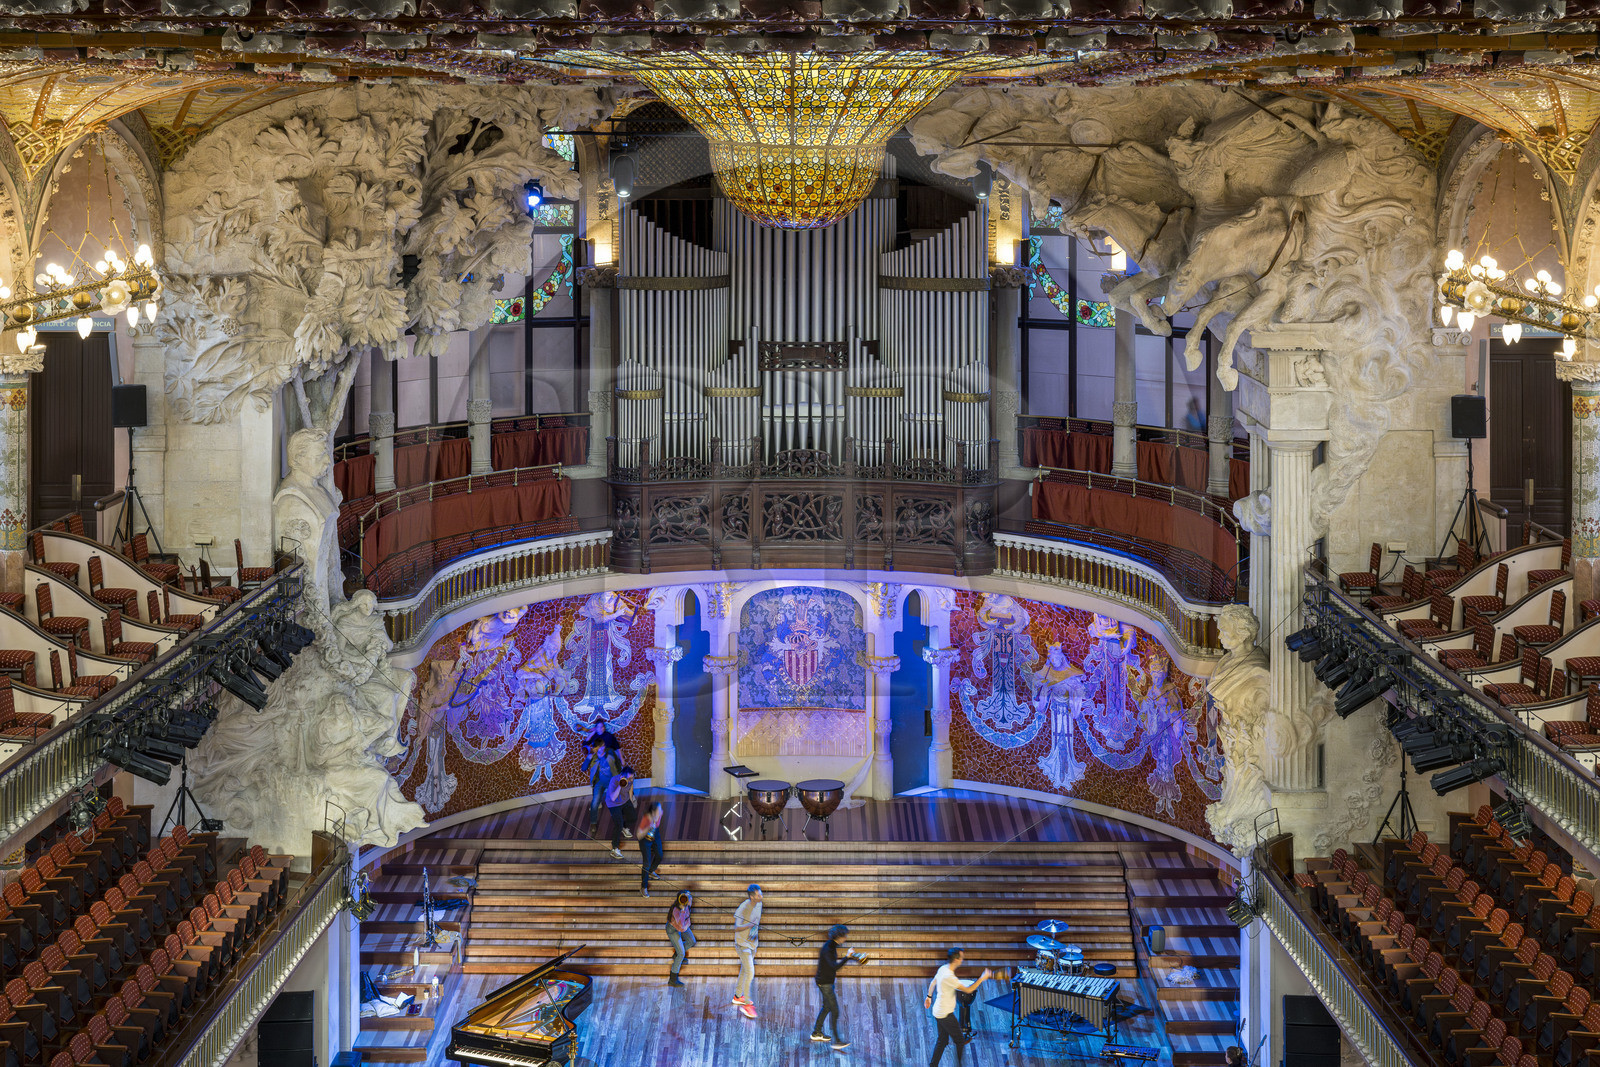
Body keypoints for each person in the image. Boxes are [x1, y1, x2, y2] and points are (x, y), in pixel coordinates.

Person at [925, 947, 992, 1067]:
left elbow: (933, 983)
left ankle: (932, 1065)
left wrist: (928, 997)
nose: (962, 959)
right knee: (960, 1041)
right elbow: (969, 989)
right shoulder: (950, 977)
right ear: (956, 960)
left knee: (942, 1041)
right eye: (961, 957)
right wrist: (982, 978)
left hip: (938, 1011)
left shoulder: (943, 969)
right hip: (945, 1014)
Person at [811, 923, 866, 1050]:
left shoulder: (831, 945)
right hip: (825, 983)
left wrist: (854, 958)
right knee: (834, 1010)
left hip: (826, 981)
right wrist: (847, 957)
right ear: (839, 936)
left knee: (826, 1007)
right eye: (844, 936)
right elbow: (835, 967)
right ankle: (837, 1041)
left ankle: (816, 1032)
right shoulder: (828, 949)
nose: (845, 938)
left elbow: (833, 965)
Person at [581, 729, 621, 835]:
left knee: (616, 803)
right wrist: (588, 758)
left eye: (603, 746)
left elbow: (617, 765)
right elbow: (583, 768)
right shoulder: (593, 756)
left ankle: (620, 824)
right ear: (597, 747)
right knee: (595, 803)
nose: (603, 748)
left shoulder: (610, 753)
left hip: (611, 781)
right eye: (601, 747)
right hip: (599, 782)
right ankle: (593, 824)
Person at [731, 884, 763, 1019]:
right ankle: (746, 1005)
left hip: (752, 943)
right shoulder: (744, 908)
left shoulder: (759, 904)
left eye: (761, 894)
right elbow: (737, 927)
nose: (761, 896)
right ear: (751, 897)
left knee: (745, 970)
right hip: (743, 944)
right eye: (758, 895)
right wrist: (749, 925)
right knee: (750, 972)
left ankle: (738, 996)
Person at [605, 765, 636, 858]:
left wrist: (631, 801)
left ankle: (624, 827)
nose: (631, 780)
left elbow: (630, 789)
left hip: (625, 801)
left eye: (632, 777)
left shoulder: (631, 780)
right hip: (613, 804)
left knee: (633, 817)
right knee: (618, 824)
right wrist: (621, 785)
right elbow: (613, 798)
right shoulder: (614, 781)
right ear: (622, 776)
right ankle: (614, 849)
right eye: (629, 778)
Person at [666, 890, 695, 987]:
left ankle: (677, 954)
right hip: (673, 930)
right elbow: (681, 925)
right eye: (688, 897)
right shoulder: (677, 910)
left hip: (682, 926)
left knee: (692, 941)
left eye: (690, 897)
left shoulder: (687, 906)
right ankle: (672, 979)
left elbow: (685, 923)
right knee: (682, 954)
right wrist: (682, 910)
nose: (691, 899)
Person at [637, 800, 665, 896]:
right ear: (653, 812)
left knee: (659, 855)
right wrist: (648, 827)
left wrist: (654, 827)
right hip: (645, 839)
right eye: (659, 809)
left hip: (655, 834)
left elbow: (657, 825)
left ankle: (651, 871)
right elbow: (638, 835)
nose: (661, 811)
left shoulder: (660, 814)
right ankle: (643, 887)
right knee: (646, 864)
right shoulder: (646, 818)